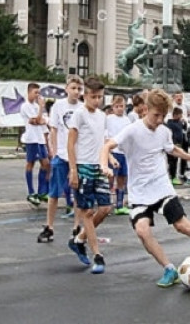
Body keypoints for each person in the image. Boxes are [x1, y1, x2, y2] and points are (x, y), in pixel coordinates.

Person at [100, 89, 190, 287]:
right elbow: (107, 146)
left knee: (181, 224)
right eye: (156, 115)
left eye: (163, 116)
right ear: (146, 110)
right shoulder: (133, 130)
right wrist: (104, 165)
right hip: (139, 191)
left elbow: (172, 149)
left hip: (161, 186)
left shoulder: (164, 131)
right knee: (142, 231)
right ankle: (169, 269)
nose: (159, 120)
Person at [66, 76, 112, 274]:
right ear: (85, 96)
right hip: (83, 166)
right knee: (87, 212)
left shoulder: (102, 116)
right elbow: (71, 143)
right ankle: (97, 255)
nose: (97, 100)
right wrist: (73, 169)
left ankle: (80, 239)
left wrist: (109, 159)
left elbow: (103, 141)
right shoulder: (79, 115)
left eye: (100, 97)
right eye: (93, 96)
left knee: (105, 208)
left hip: (98, 166)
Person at [37, 74, 83, 243]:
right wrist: (54, 151)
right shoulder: (58, 106)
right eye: (73, 88)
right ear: (66, 89)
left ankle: (77, 226)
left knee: (77, 193)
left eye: (79, 89)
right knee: (54, 192)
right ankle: (49, 226)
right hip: (62, 154)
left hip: (77, 156)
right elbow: (54, 129)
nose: (76, 92)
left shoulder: (82, 108)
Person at [20, 82, 50, 206]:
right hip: (32, 139)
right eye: (35, 92)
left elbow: (43, 122)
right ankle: (31, 192)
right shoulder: (25, 106)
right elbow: (36, 120)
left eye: (39, 92)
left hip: (40, 139)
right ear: (29, 92)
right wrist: (41, 110)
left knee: (46, 164)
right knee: (30, 163)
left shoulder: (37, 107)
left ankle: (42, 191)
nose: (37, 95)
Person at [105, 94, 132, 214]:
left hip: (124, 152)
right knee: (110, 177)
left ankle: (119, 204)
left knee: (122, 177)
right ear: (113, 107)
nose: (120, 108)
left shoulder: (127, 120)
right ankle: (106, 202)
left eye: (122, 106)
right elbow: (105, 134)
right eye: (117, 106)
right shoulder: (109, 119)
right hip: (113, 152)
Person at [164, 107, 186, 186]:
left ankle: (174, 177)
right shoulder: (170, 124)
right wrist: (173, 143)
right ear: (176, 115)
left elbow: (183, 130)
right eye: (180, 114)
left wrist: (184, 123)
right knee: (171, 162)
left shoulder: (180, 123)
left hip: (179, 145)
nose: (181, 116)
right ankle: (172, 177)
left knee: (176, 161)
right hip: (172, 145)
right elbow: (170, 135)